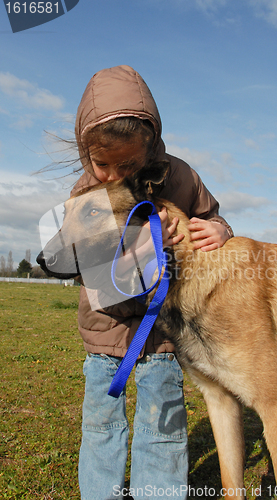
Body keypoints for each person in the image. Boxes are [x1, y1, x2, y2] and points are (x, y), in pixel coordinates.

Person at [71, 65, 233, 500]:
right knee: (101, 424)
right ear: (86, 155)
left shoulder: (179, 176)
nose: (111, 173)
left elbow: (210, 214)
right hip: (105, 331)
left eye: (128, 164)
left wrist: (219, 230)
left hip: (163, 331)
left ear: (150, 144)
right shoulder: (85, 196)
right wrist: (137, 244)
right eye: (101, 164)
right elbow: (87, 265)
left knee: (162, 426)